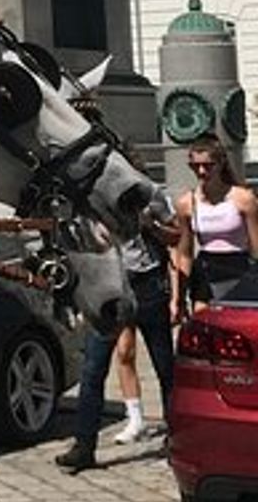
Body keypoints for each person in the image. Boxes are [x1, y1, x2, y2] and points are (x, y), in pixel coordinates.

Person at [57, 185, 178, 472]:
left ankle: (178, 439)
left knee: (165, 367)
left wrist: (152, 226)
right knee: (93, 368)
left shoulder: (151, 196)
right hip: (108, 291)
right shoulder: (89, 201)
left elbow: (178, 236)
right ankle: (84, 445)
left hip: (146, 285)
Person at [172, 135, 258, 309]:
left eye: (208, 166)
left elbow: (256, 246)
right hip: (206, 269)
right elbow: (185, 253)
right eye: (195, 166)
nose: (202, 172)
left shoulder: (243, 198)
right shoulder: (186, 203)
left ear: (220, 165)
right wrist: (178, 298)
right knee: (203, 319)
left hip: (238, 266)